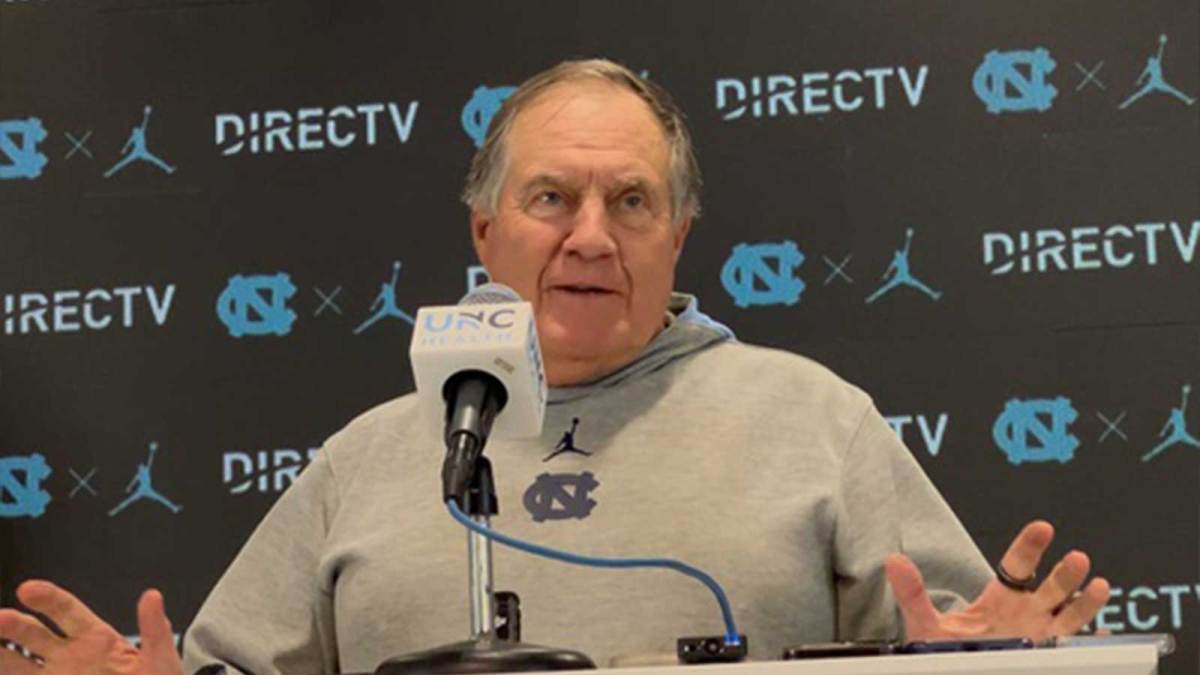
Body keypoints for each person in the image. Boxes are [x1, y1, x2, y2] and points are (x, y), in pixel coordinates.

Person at [0, 59, 1110, 675]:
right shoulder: (365, 458)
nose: (590, 236)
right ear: (484, 235)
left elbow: (966, 648)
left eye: (632, 203)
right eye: (550, 199)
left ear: (678, 237)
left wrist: (993, 669)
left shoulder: (814, 418)